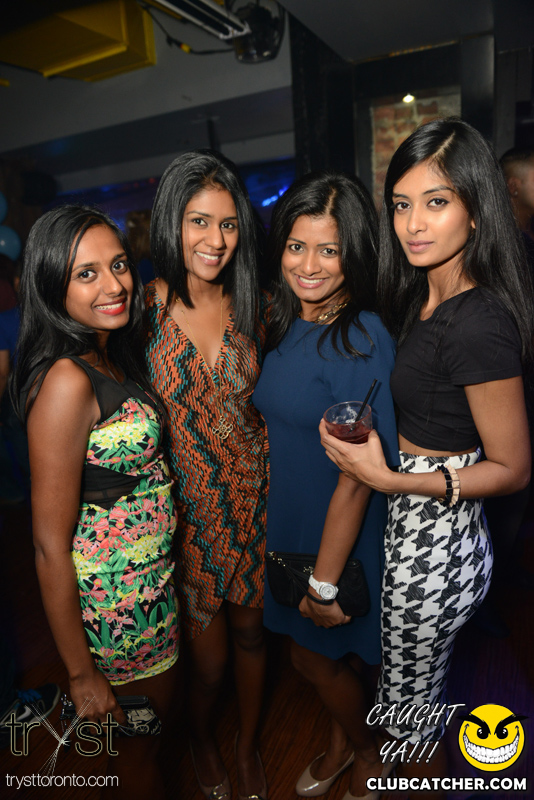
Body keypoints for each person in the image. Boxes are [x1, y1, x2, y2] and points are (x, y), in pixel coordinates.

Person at [320, 118, 534, 797]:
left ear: (476, 210)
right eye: (401, 204)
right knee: (409, 704)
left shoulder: (476, 320)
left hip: (436, 549)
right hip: (420, 533)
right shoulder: (427, 294)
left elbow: (513, 468)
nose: (413, 224)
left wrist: (386, 476)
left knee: (411, 728)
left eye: (436, 202)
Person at [11, 205, 180, 798]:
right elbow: (47, 545)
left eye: (119, 265)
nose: (114, 285)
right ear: (51, 285)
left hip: (150, 587)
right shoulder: (66, 380)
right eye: (86, 274)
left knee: (149, 742)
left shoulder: (105, 353)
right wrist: (81, 673)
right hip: (119, 611)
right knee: (141, 753)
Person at [253, 171, 399, 800]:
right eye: (296, 246)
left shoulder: (360, 338)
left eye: (329, 250)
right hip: (294, 517)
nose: (308, 265)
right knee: (323, 656)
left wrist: (324, 582)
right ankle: (344, 743)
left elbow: (358, 480)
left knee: (310, 656)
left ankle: (369, 754)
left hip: (338, 531)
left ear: (355, 254)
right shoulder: (290, 321)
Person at [145, 150, 268, 800]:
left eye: (228, 224)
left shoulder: (257, 304)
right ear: (174, 222)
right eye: (200, 221)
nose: (215, 240)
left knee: (252, 634)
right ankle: (200, 737)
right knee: (210, 664)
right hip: (186, 518)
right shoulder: (139, 311)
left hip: (255, 500)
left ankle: (246, 747)